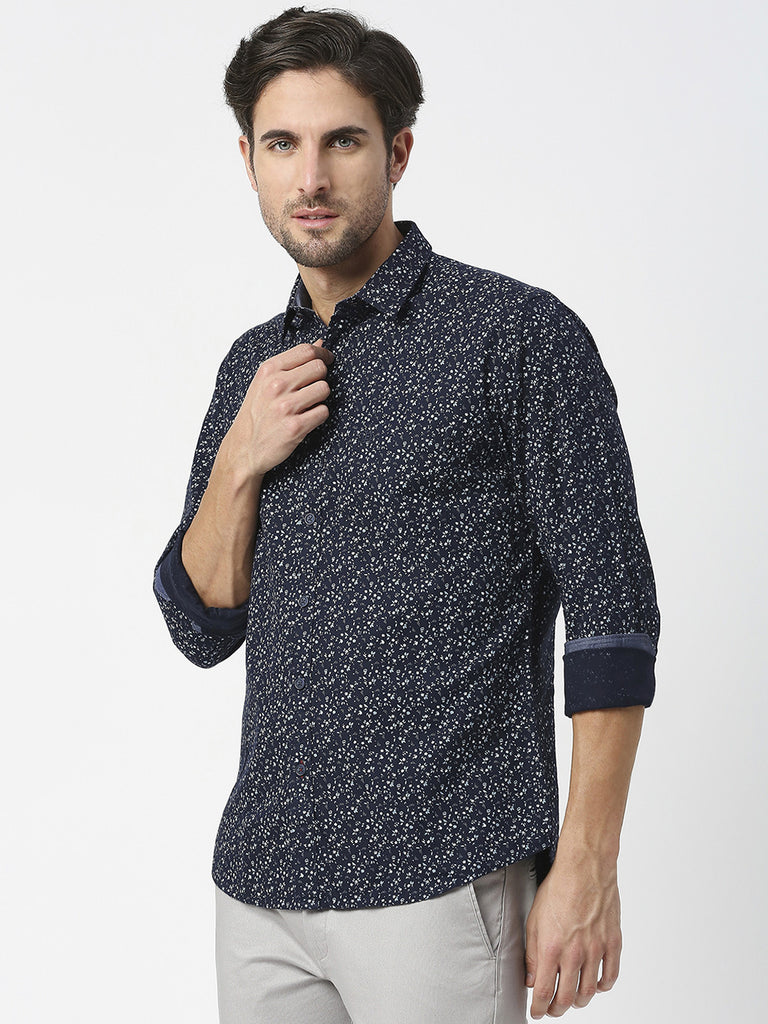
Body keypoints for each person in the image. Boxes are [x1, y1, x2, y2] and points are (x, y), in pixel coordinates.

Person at [152, 7, 661, 1023]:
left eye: (342, 141)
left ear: (398, 151)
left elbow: (613, 612)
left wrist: (588, 863)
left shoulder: (518, 336)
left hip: (440, 878)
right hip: (261, 884)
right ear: (247, 161)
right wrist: (241, 458)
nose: (311, 178)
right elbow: (200, 622)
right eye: (282, 145)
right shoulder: (251, 369)